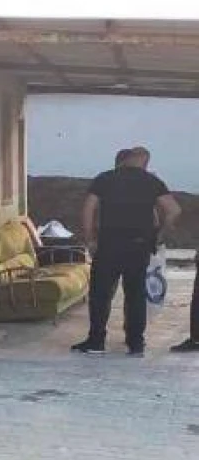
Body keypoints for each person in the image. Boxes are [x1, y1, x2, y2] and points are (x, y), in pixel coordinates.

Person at [72, 146, 182, 357]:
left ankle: (96, 341)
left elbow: (88, 209)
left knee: (101, 294)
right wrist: (159, 234)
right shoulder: (151, 181)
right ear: (145, 162)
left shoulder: (105, 178)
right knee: (135, 295)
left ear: (124, 160)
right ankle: (135, 343)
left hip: (108, 245)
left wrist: (90, 239)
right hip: (138, 246)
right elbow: (174, 210)